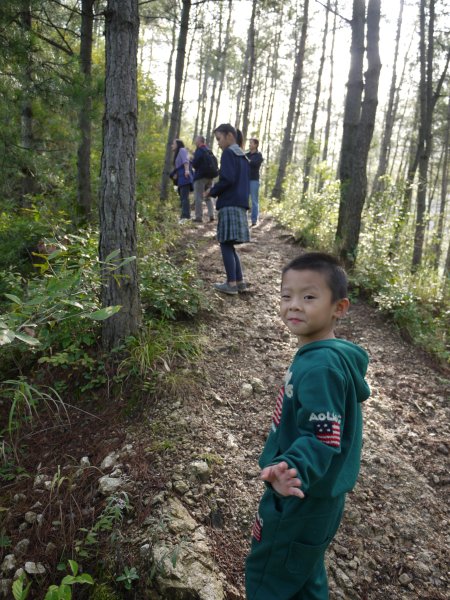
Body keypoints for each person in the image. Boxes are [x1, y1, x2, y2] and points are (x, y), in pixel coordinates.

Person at [245, 252, 371, 600]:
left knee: (267, 575)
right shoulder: (325, 355)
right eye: (287, 296)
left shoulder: (321, 366)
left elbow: (322, 434)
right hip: (320, 498)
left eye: (309, 297)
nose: (294, 305)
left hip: (300, 495)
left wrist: (293, 469)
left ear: (339, 308)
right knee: (302, 573)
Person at [204, 124, 250, 296]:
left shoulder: (229, 153)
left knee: (225, 242)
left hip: (229, 203)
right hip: (240, 203)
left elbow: (227, 179)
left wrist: (212, 191)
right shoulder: (243, 156)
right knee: (229, 244)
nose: (219, 143)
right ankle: (239, 281)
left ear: (229, 136)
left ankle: (231, 283)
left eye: (219, 139)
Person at [191, 135, 216, 223]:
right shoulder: (209, 151)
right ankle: (211, 215)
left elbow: (195, 164)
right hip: (210, 177)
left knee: (198, 197)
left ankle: (198, 217)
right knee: (208, 197)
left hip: (200, 177)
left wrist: (191, 160)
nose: (195, 141)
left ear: (200, 141)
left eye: (196, 140)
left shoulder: (199, 150)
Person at [170, 139, 193, 223]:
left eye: (173, 143)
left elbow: (186, 161)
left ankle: (185, 217)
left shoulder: (182, 150)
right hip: (181, 178)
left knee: (184, 197)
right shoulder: (177, 153)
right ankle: (185, 215)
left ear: (178, 144)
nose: (172, 145)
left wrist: (186, 171)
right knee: (182, 197)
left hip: (185, 177)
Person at [246, 138, 264, 226]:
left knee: (254, 201)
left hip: (254, 180)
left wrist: (247, 160)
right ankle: (243, 219)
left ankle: (254, 220)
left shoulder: (259, 155)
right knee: (244, 199)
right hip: (245, 179)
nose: (249, 144)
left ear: (256, 145)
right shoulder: (246, 154)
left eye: (251, 143)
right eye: (249, 143)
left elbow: (255, 164)